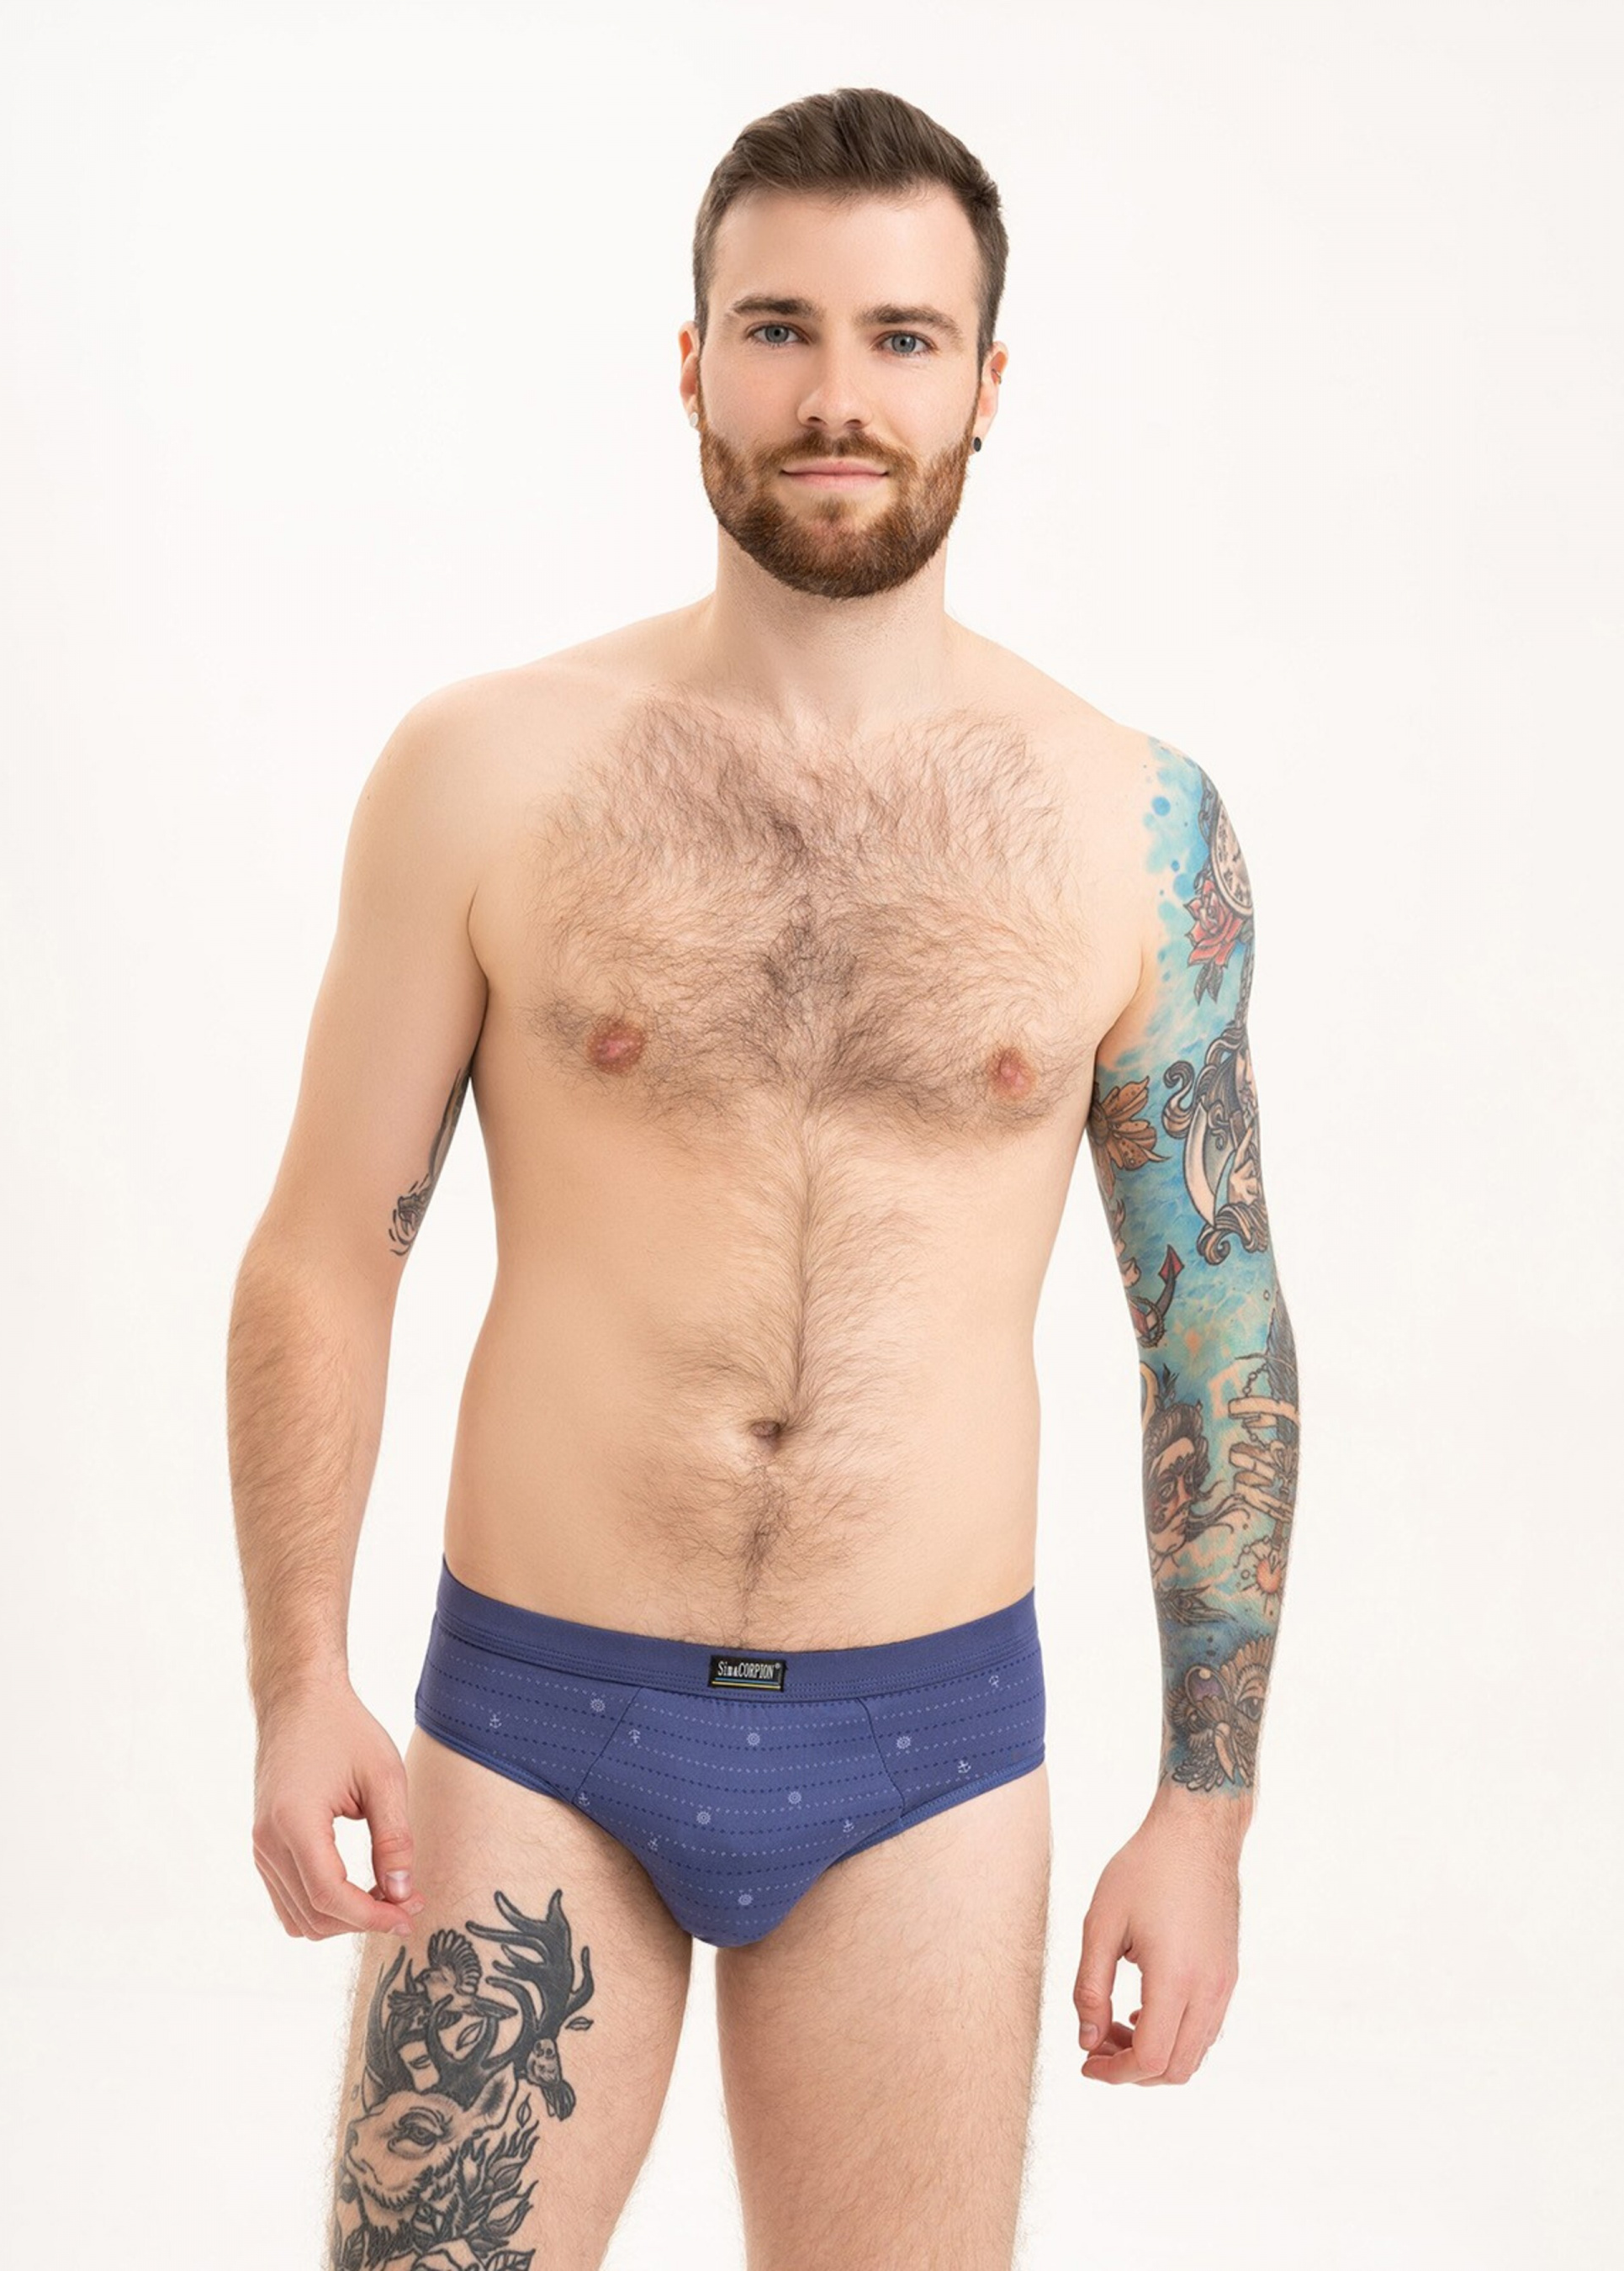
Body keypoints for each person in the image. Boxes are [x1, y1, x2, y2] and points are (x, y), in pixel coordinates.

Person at [226, 83, 1300, 2271]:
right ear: (693, 361)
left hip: (927, 1756)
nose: (836, 396)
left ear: (986, 384)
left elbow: (1212, 1326)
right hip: (539, 1725)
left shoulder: (1128, 825)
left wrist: (1205, 1810)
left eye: (902, 337)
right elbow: (327, 1248)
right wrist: (294, 1676)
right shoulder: (487, 771)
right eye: (779, 327)